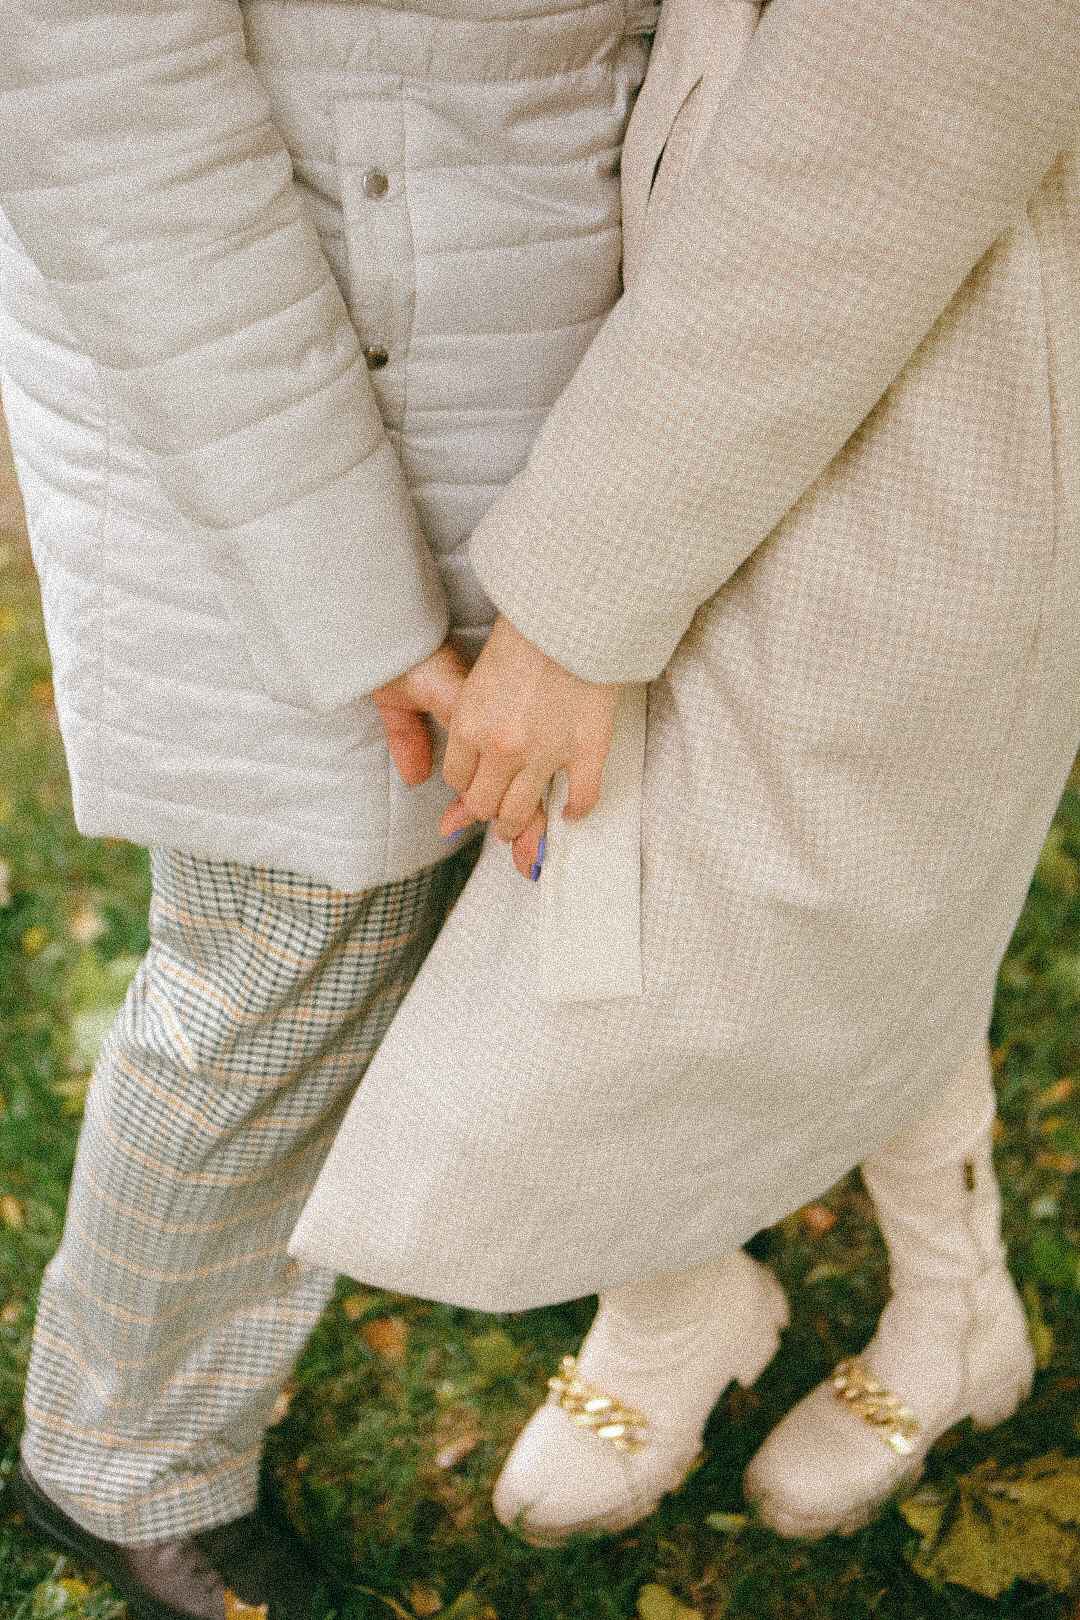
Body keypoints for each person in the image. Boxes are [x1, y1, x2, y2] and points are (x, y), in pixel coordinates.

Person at [288, 0, 1080, 1548]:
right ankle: (680, 1293)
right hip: (658, 299)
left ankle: (955, 1298)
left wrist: (581, 600)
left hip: (920, 348)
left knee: (850, 869)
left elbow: (910, 108)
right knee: (681, 854)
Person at [0, 0, 654, 1612]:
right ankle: (117, 1456)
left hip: (534, 346)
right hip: (275, 397)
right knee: (282, 951)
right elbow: (107, 105)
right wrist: (361, 612)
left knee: (465, 915)